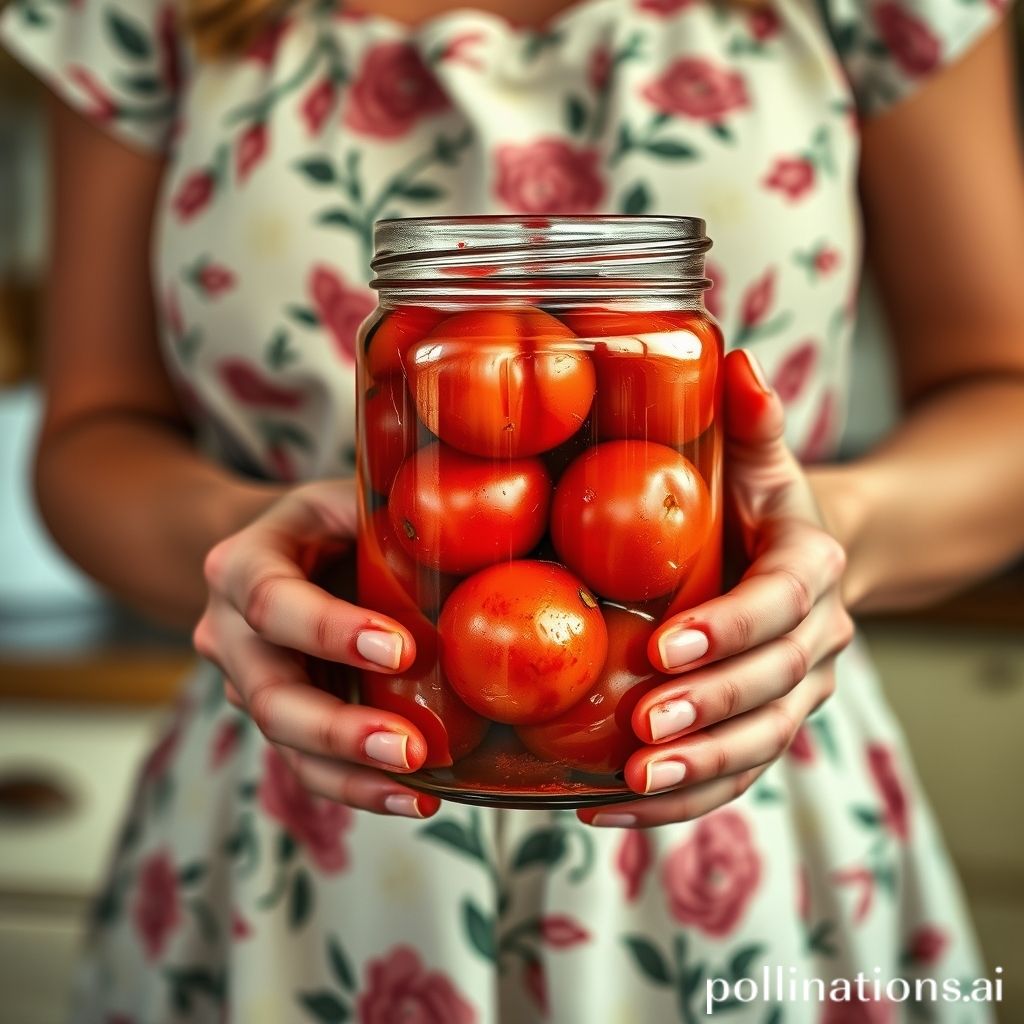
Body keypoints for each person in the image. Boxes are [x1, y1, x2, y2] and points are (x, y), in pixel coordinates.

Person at [3, 0, 1023, 1020]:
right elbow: (90, 433)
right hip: (305, 775)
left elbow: (1003, 395)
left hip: (733, 755)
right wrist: (248, 554)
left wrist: (816, 540)